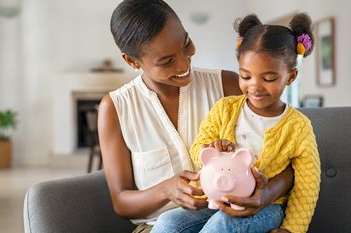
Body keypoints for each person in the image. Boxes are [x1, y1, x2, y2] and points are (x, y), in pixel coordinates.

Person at [98, 1, 294, 232]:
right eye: (168, 61)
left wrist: (266, 194)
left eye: (186, 44)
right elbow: (121, 202)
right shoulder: (116, 108)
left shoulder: (228, 85)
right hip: (157, 227)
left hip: (230, 218)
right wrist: (165, 190)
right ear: (132, 61)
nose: (184, 63)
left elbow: (290, 156)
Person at [153, 13, 321, 233]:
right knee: (168, 222)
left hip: (267, 207)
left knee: (221, 226)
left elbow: (307, 184)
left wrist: (292, 229)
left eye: (268, 79)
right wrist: (210, 148)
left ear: (290, 77)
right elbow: (198, 148)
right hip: (217, 198)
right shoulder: (225, 108)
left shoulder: (298, 127)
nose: (255, 86)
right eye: (246, 76)